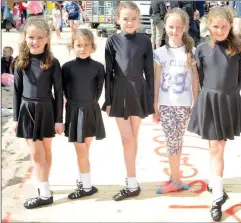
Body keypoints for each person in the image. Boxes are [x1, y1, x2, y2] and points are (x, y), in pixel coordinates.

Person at [187, 6, 241, 222]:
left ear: (230, 26)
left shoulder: (237, 50)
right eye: (215, 26)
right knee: (214, 149)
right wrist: (196, 102)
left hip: (228, 101)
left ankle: (216, 188)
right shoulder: (200, 49)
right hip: (209, 101)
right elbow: (197, 79)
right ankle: (217, 191)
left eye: (224, 27)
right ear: (208, 25)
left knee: (218, 147)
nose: (219, 30)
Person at [102, 1, 154, 201]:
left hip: (138, 91)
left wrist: (150, 97)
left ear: (138, 19)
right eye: (125, 19)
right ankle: (131, 182)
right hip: (119, 91)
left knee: (134, 137)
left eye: (134, 18)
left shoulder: (145, 41)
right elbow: (108, 73)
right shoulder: (112, 41)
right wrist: (108, 100)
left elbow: (149, 72)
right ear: (118, 20)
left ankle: (132, 179)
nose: (130, 22)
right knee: (127, 140)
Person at [13, 16, 64, 209]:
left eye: (40, 37)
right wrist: (16, 117)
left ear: (47, 39)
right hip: (27, 110)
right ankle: (44, 192)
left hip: (47, 109)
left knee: (46, 151)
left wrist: (59, 119)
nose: (35, 41)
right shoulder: (20, 61)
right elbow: (17, 92)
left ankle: (44, 185)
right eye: (31, 37)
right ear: (25, 37)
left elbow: (59, 93)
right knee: (36, 154)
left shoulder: (53, 62)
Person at [152, 8, 199, 194]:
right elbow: (156, 81)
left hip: (184, 104)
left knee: (176, 142)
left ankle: (176, 180)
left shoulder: (192, 51)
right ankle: (175, 177)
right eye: (171, 26)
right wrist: (155, 105)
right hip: (166, 104)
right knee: (173, 142)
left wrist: (195, 101)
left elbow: (195, 79)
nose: (174, 30)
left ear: (185, 28)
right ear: (165, 27)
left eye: (179, 27)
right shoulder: (160, 53)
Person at [62, 29, 106, 199]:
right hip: (74, 110)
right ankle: (84, 180)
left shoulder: (98, 67)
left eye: (86, 45)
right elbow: (64, 89)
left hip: (90, 109)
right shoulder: (67, 67)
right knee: (82, 150)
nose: (82, 48)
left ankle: (86, 186)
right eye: (79, 45)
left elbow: (98, 90)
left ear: (92, 47)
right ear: (72, 46)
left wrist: (88, 103)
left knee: (83, 150)